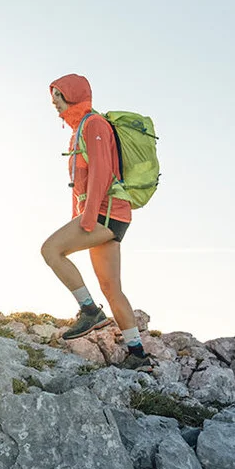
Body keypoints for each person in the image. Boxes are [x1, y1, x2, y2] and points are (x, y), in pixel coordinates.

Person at [41, 73, 148, 366]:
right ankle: (138, 354)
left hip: (105, 214)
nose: (54, 103)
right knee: (111, 287)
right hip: (110, 215)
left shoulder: (94, 125)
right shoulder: (79, 130)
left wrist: (86, 220)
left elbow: (101, 172)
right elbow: (82, 184)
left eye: (58, 97)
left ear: (73, 95)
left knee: (50, 250)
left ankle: (89, 311)